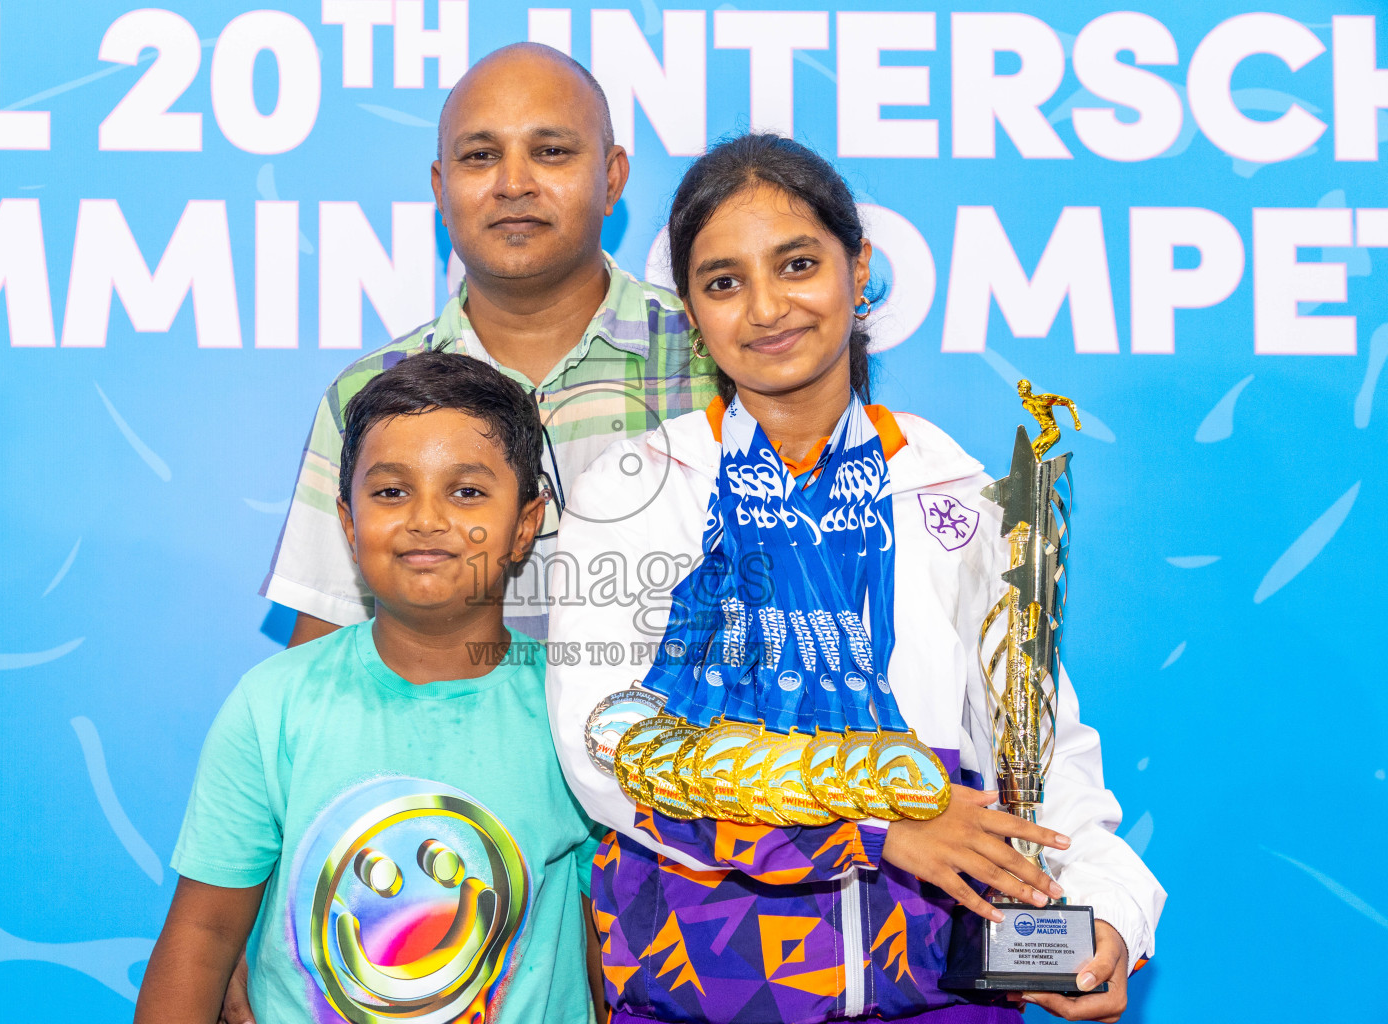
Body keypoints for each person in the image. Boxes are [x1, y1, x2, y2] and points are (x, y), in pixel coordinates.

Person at [547, 134, 1165, 1024]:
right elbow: (608, 757)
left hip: (940, 1001)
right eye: (723, 282)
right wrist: (876, 827)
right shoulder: (639, 493)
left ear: (858, 266)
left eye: (797, 264)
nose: (766, 307)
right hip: (703, 997)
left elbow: (1040, 744)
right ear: (690, 307)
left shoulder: (951, 487)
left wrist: (1109, 909)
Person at [139, 353, 603, 1024]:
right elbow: (203, 935)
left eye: (467, 492)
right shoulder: (273, 704)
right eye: (391, 492)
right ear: (349, 523)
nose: (425, 519)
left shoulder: (573, 711)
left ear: (527, 523)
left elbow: (606, 944)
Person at [263, 42, 712, 648]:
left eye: (551, 152)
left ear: (611, 178)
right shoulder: (367, 397)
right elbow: (323, 667)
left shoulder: (716, 361)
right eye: (480, 156)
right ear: (440, 189)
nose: (513, 183)